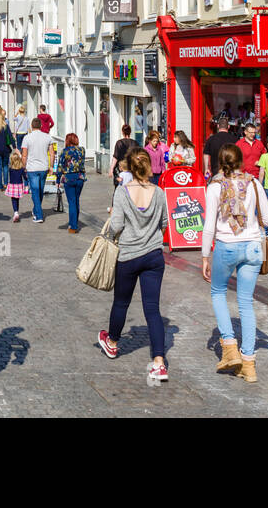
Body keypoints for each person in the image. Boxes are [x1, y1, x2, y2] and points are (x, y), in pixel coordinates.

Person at [203, 144, 268, 384]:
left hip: (227, 245)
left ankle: (230, 348)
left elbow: (209, 226)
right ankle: (249, 365)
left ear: (220, 162)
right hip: (253, 246)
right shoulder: (254, 183)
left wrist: (205, 256)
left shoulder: (214, 187)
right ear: (241, 161)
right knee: (246, 304)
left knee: (218, 292)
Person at [98, 149, 170, 384]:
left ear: (128, 166)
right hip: (153, 256)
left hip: (129, 255)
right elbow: (165, 223)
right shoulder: (158, 192)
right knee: (152, 308)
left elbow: (116, 225)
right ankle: (159, 363)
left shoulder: (122, 192)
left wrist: (114, 218)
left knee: (121, 302)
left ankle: (113, 343)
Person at [21, 117, 59, 223]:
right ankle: (37, 211)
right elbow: (52, 153)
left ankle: (38, 215)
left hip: (32, 168)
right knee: (40, 191)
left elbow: (24, 155)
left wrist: (24, 166)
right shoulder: (47, 137)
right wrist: (51, 166)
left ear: (31, 126)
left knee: (35, 191)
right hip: (43, 167)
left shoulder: (27, 138)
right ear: (41, 126)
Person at [54, 133, 87, 233]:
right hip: (80, 177)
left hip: (69, 178)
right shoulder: (82, 150)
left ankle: (73, 226)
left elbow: (60, 166)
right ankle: (74, 222)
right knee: (76, 200)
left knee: (72, 202)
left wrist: (57, 180)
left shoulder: (65, 151)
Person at [111, 124, 137, 191]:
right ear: (130, 132)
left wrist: (111, 169)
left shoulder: (119, 143)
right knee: (131, 189)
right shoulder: (135, 143)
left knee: (118, 189)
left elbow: (115, 157)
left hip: (120, 169)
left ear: (122, 132)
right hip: (131, 169)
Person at [4, 149, 27, 222]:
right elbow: (25, 178)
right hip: (19, 186)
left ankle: (16, 212)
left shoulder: (10, 169)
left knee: (13, 199)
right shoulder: (21, 169)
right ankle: (16, 212)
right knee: (17, 200)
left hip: (12, 185)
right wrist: (26, 185)